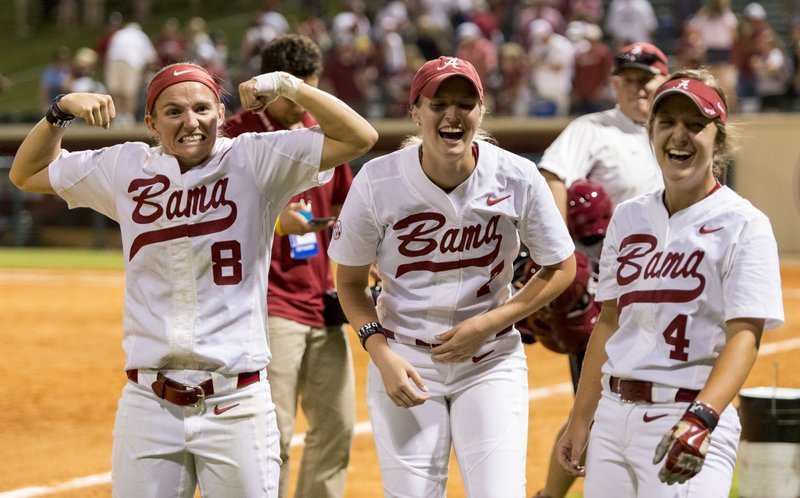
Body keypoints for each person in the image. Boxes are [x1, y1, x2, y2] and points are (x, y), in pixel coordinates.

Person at [9, 63, 377, 497]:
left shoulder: (253, 158)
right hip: (149, 403)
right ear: (151, 123)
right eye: (173, 112)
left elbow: (359, 137)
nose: (190, 122)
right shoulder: (126, 167)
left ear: (222, 115)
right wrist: (59, 113)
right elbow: (26, 174)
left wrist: (291, 87)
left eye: (202, 109)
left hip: (236, 404)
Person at [328, 56, 577, 498]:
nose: (452, 114)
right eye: (439, 103)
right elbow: (349, 283)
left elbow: (561, 265)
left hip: (490, 359)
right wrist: (381, 353)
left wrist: (491, 321)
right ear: (416, 111)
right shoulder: (378, 181)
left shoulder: (515, 175)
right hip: (405, 359)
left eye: (465, 103)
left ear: (481, 111)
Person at [556, 69, 785, 497]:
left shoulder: (744, 223)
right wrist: (581, 417)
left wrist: (703, 418)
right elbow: (609, 322)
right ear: (652, 134)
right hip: (613, 415)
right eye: (667, 124)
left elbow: (745, 337)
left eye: (695, 125)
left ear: (718, 139)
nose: (679, 135)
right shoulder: (628, 217)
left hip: (686, 412)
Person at [533, 41, 670, 498]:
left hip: (668, 292)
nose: (638, 89)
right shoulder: (593, 129)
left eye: (646, 79)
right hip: (605, 294)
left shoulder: (672, 135)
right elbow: (552, 177)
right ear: (615, 85)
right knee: (593, 407)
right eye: (628, 81)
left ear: (664, 81)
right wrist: (560, 259)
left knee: (658, 404)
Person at [224, 34, 356, 498]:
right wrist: (272, 215)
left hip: (324, 303)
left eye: (308, 85)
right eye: (289, 87)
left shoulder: (324, 129)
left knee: (337, 426)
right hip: (270, 303)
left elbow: (344, 202)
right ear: (266, 85)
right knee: (273, 433)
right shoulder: (236, 133)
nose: (299, 97)